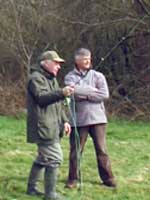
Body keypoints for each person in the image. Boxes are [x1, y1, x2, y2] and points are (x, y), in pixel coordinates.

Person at [64, 48, 117, 189]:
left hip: (98, 119)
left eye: (89, 58)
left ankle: (108, 179)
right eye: (85, 58)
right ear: (77, 60)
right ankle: (72, 179)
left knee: (102, 150)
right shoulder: (69, 76)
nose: (88, 61)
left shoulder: (98, 76)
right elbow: (72, 92)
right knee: (76, 151)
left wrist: (84, 93)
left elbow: (104, 94)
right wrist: (92, 92)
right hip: (79, 120)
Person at [26, 50, 74, 200]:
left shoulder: (51, 79)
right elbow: (41, 98)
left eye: (59, 64)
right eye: (56, 63)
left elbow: (57, 104)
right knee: (54, 158)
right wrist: (62, 92)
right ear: (45, 63)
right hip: (42, 127)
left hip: (53, 126)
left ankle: (32, 188)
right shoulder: (35, 79)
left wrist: (65, 120)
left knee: (43, 158)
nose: (59, 67)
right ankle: (50, 194)